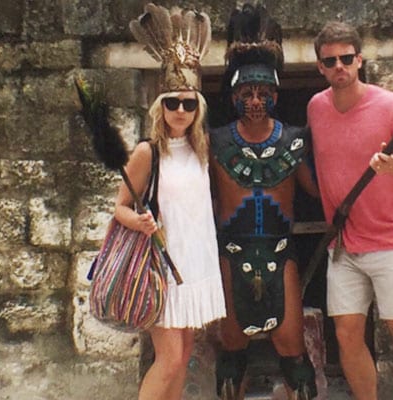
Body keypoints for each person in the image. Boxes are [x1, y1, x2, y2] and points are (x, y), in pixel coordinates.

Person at [306, 21, 393, 400]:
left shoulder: (392, 106)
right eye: (330, 61)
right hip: (344, 244)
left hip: (391, 241)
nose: (339, 67)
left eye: (346, 58)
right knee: (347, 335)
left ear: (360, 59)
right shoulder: (316, 107)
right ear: (320, 67)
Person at [210, 4, 319, 400]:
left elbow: (317, 191)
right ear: (234, 95)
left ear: (276, 94)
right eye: (246, 93)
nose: (255, 101)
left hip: (279, 250)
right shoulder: (216, 142)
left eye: (263, 93)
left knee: (292, 350)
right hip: (232, 252)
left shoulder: (293, 140)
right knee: (232, 348)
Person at [117, 5, 224, 400]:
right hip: (161, 263)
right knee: (168, 357)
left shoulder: (201, 149)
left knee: (183, 356)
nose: (180, 110)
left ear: (198, 108)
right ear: (159, 106)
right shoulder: (148, 152)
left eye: (188, 103)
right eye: (173, 103)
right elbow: (121, 207)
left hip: (193, 263)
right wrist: (141, 223)